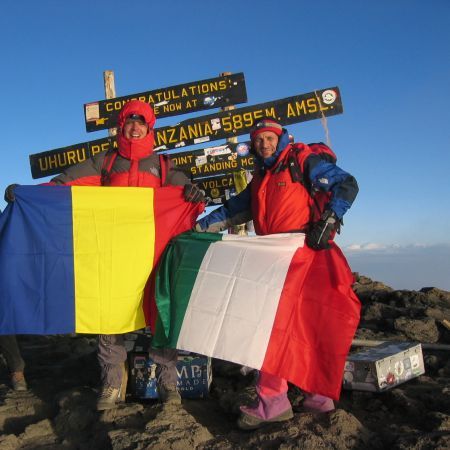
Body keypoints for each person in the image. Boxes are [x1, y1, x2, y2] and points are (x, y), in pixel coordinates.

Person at [4, 100, 205, 410]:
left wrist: (194, 193)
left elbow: (189, 194)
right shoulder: (105, 163)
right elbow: (62, 186)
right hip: (113, 257)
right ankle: (112, 383)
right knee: (107, 317)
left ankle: (169, 385)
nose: (135, 128)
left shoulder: (164, 166)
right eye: (129, 122)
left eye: (141, 123)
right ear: (120, 127)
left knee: (161, 317)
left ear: (150, 129)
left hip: (153, 257)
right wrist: (28, 194)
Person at [196, 118, 359, 430]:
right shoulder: (261, 177)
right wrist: (198, 227)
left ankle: (275, 401)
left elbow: (347, 183)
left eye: (269, 138)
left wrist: (330, 218)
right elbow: (233, 209)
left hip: (305, 254)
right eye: (258, 140)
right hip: (277, 259)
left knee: (274, 327)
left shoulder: (301, 162)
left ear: (281, 138)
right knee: (297, 326)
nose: (264, 144)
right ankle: (317, 397)